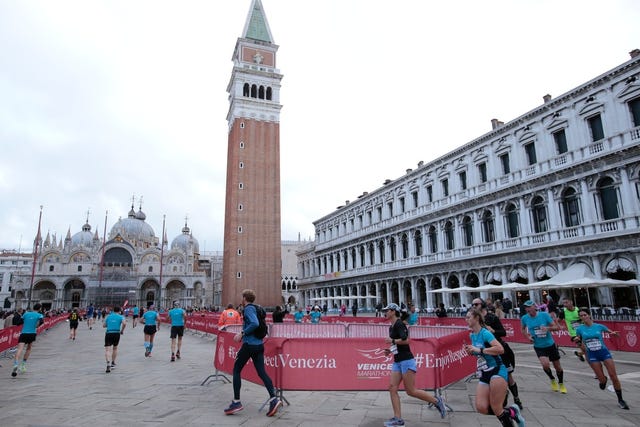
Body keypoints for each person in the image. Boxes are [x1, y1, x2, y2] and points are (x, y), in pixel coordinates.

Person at [382, 303, 447, 426]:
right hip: (397, 361)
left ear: (393, 312)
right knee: (392, 388)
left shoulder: (400, 324)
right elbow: (397, 344)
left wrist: (392, 341)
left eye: (387, 310)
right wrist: (390, 350)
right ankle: (398, 419)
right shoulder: (391, 327)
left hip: (406, 360)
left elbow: (406, 340)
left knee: (411, 391)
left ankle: (436, 401)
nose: (385, 312)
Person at [224, 289, 282, 417]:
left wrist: (242, 333)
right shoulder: (257, 308)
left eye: (242, 297)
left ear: (244, 298)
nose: (241, 299)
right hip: (259, 345)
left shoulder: (249, 308)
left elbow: (255, 323)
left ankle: (236, 402)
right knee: (262, 372)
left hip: (249, 345)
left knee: (236, 370)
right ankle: (274, 399)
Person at [464, 308, 525, 427]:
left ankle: (509, 419)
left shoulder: (485, 333)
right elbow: (479, 353)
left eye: (468, 317)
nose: (466, 320)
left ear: (476, 318)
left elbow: (500, 349)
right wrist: (471, 351)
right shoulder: (472, 335)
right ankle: (512, 412)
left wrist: (479, 350)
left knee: (497, 408)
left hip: (497, 370)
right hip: (484, 372)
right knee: (481, 407)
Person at [472, 298, 523, 409]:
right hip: (487, 354)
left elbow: (503, 332)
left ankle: (517, 398)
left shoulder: (491, 317)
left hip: (501, 351)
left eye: (476, 304)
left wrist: (493, 331)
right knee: (491, 377)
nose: (474, 306)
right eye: (473, 304)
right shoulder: (476, 320)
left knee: (508, 377)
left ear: (482, 305)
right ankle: (499, 399)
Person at [575, 307, 629, 409]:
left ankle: (621, 400)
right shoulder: (580, 329)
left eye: (585, 315)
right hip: (592, 355)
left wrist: (613, 333)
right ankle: (603, 381)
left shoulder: (599, 326)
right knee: (602, 380)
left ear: (589, 315)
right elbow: (579, 342)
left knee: (613, 376)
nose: (583, 317)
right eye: (581, 316)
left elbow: (609, 331)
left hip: (603, 352)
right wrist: (578, 342)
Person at [520, 299, 566, 393]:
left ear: (534, 307)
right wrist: (528, 337)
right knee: (545, 365)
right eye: (526, 307)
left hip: (550, 344)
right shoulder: (525, 318)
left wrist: (547, 328)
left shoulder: (544, 315)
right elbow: (522, 329)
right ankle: (552, 379)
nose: (528, 309)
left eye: (530, 307)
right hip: (538, 346)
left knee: (558, 367)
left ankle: (561, 383)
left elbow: (556, 328)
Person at [11, 303, 44, 377]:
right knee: (28, 349)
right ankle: (23, 365)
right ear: (39, 309)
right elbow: (42, 322)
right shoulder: (40, 315)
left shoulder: (26, 314)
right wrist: (36, 326)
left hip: (24, 333)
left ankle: (16, 364)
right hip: (32, 333)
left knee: (19, 349)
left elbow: (19, 323)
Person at [103, 306, 126, 373]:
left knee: (107, 349)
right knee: (115, 348)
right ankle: (113, 363)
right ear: (119, 311)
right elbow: (124, 323)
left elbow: (104, 325)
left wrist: (110, 324)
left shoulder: (108, 316)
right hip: (116, 333)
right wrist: (122, 330)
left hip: (109, 333)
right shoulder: (121, 316)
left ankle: (108, 363)